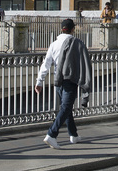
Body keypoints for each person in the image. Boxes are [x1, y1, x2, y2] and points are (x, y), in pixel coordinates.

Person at [35, 17, 92, 149]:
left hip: (58, 80)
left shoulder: (54, 44)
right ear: (73, 29)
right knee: (66, 108)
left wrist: (39, 81)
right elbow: (83, 62)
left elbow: (46, 64)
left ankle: (73, 135)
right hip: (70, 80)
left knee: (67, 107)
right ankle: (51, 134)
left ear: (61, 29)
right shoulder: (77, 43)